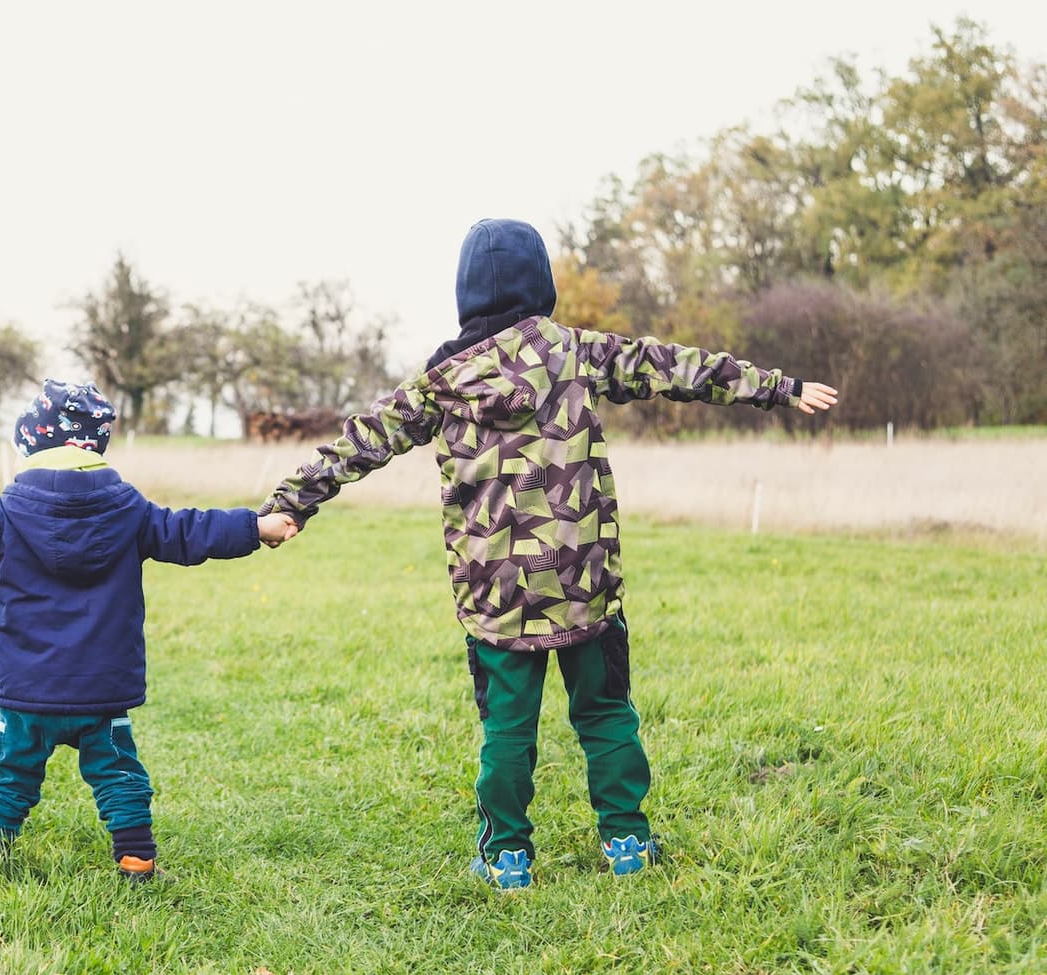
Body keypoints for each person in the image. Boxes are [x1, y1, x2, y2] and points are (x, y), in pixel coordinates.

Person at [259, 218, 839, 890]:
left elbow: (361, 440)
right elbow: (674, 366)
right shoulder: (576, 353)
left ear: (466, 293)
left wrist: (291, 502)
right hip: (583, 582)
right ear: (543, 283)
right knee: (604, 712)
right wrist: (780, 387)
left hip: (497, 596)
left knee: (506, 728)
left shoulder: (441, 381)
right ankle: (626, 840)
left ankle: (507, 856)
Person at [0, 380, 296, 881]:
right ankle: (135, 858)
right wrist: (256, 528)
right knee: (118, 774)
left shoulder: (5, 513)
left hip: (28, 688)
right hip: (101, 688)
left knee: (10, 770)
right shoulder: (131, 511)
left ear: (31, 444)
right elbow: (190, 531)